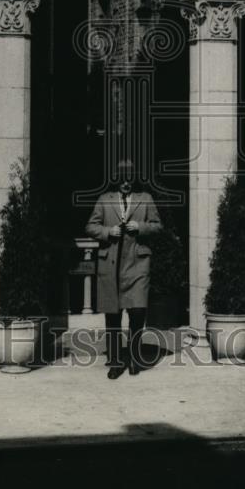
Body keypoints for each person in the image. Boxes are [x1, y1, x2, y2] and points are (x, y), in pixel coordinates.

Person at [85, 160, 162, 379]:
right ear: (115, 179)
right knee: (113, 316)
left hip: (137, 264)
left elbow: (158, 226)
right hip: (111, 265)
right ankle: (116, 363)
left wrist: (142, 227)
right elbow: (90, 226)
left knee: (138, 313)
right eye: (121, 179)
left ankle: (135, 359)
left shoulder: (145, 199)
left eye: (129, 178)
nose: (126, 183)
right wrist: (109, 231)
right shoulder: (104, 200)